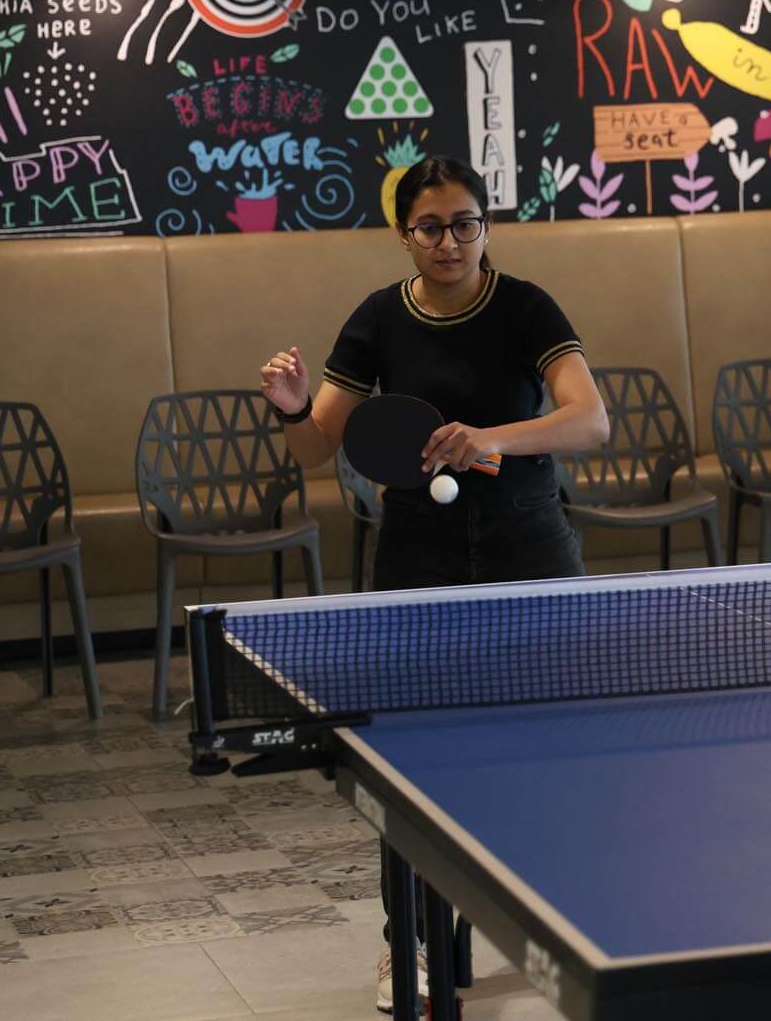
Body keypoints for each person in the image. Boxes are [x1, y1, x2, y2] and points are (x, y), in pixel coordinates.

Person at [257, 154, 608, 1012]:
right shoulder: (378, 320)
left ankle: (568, 928)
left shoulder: (525, 306)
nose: (449, 241)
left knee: (551, 753)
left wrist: (485, 437)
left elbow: (589, 420)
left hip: (529, 543)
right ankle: (408, 944)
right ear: (403, 234)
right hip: (420, 554)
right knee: (412, 764)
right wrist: (296, 406)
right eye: (430, 227)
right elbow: (315, 449)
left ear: (485, 226)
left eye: (464, 224)